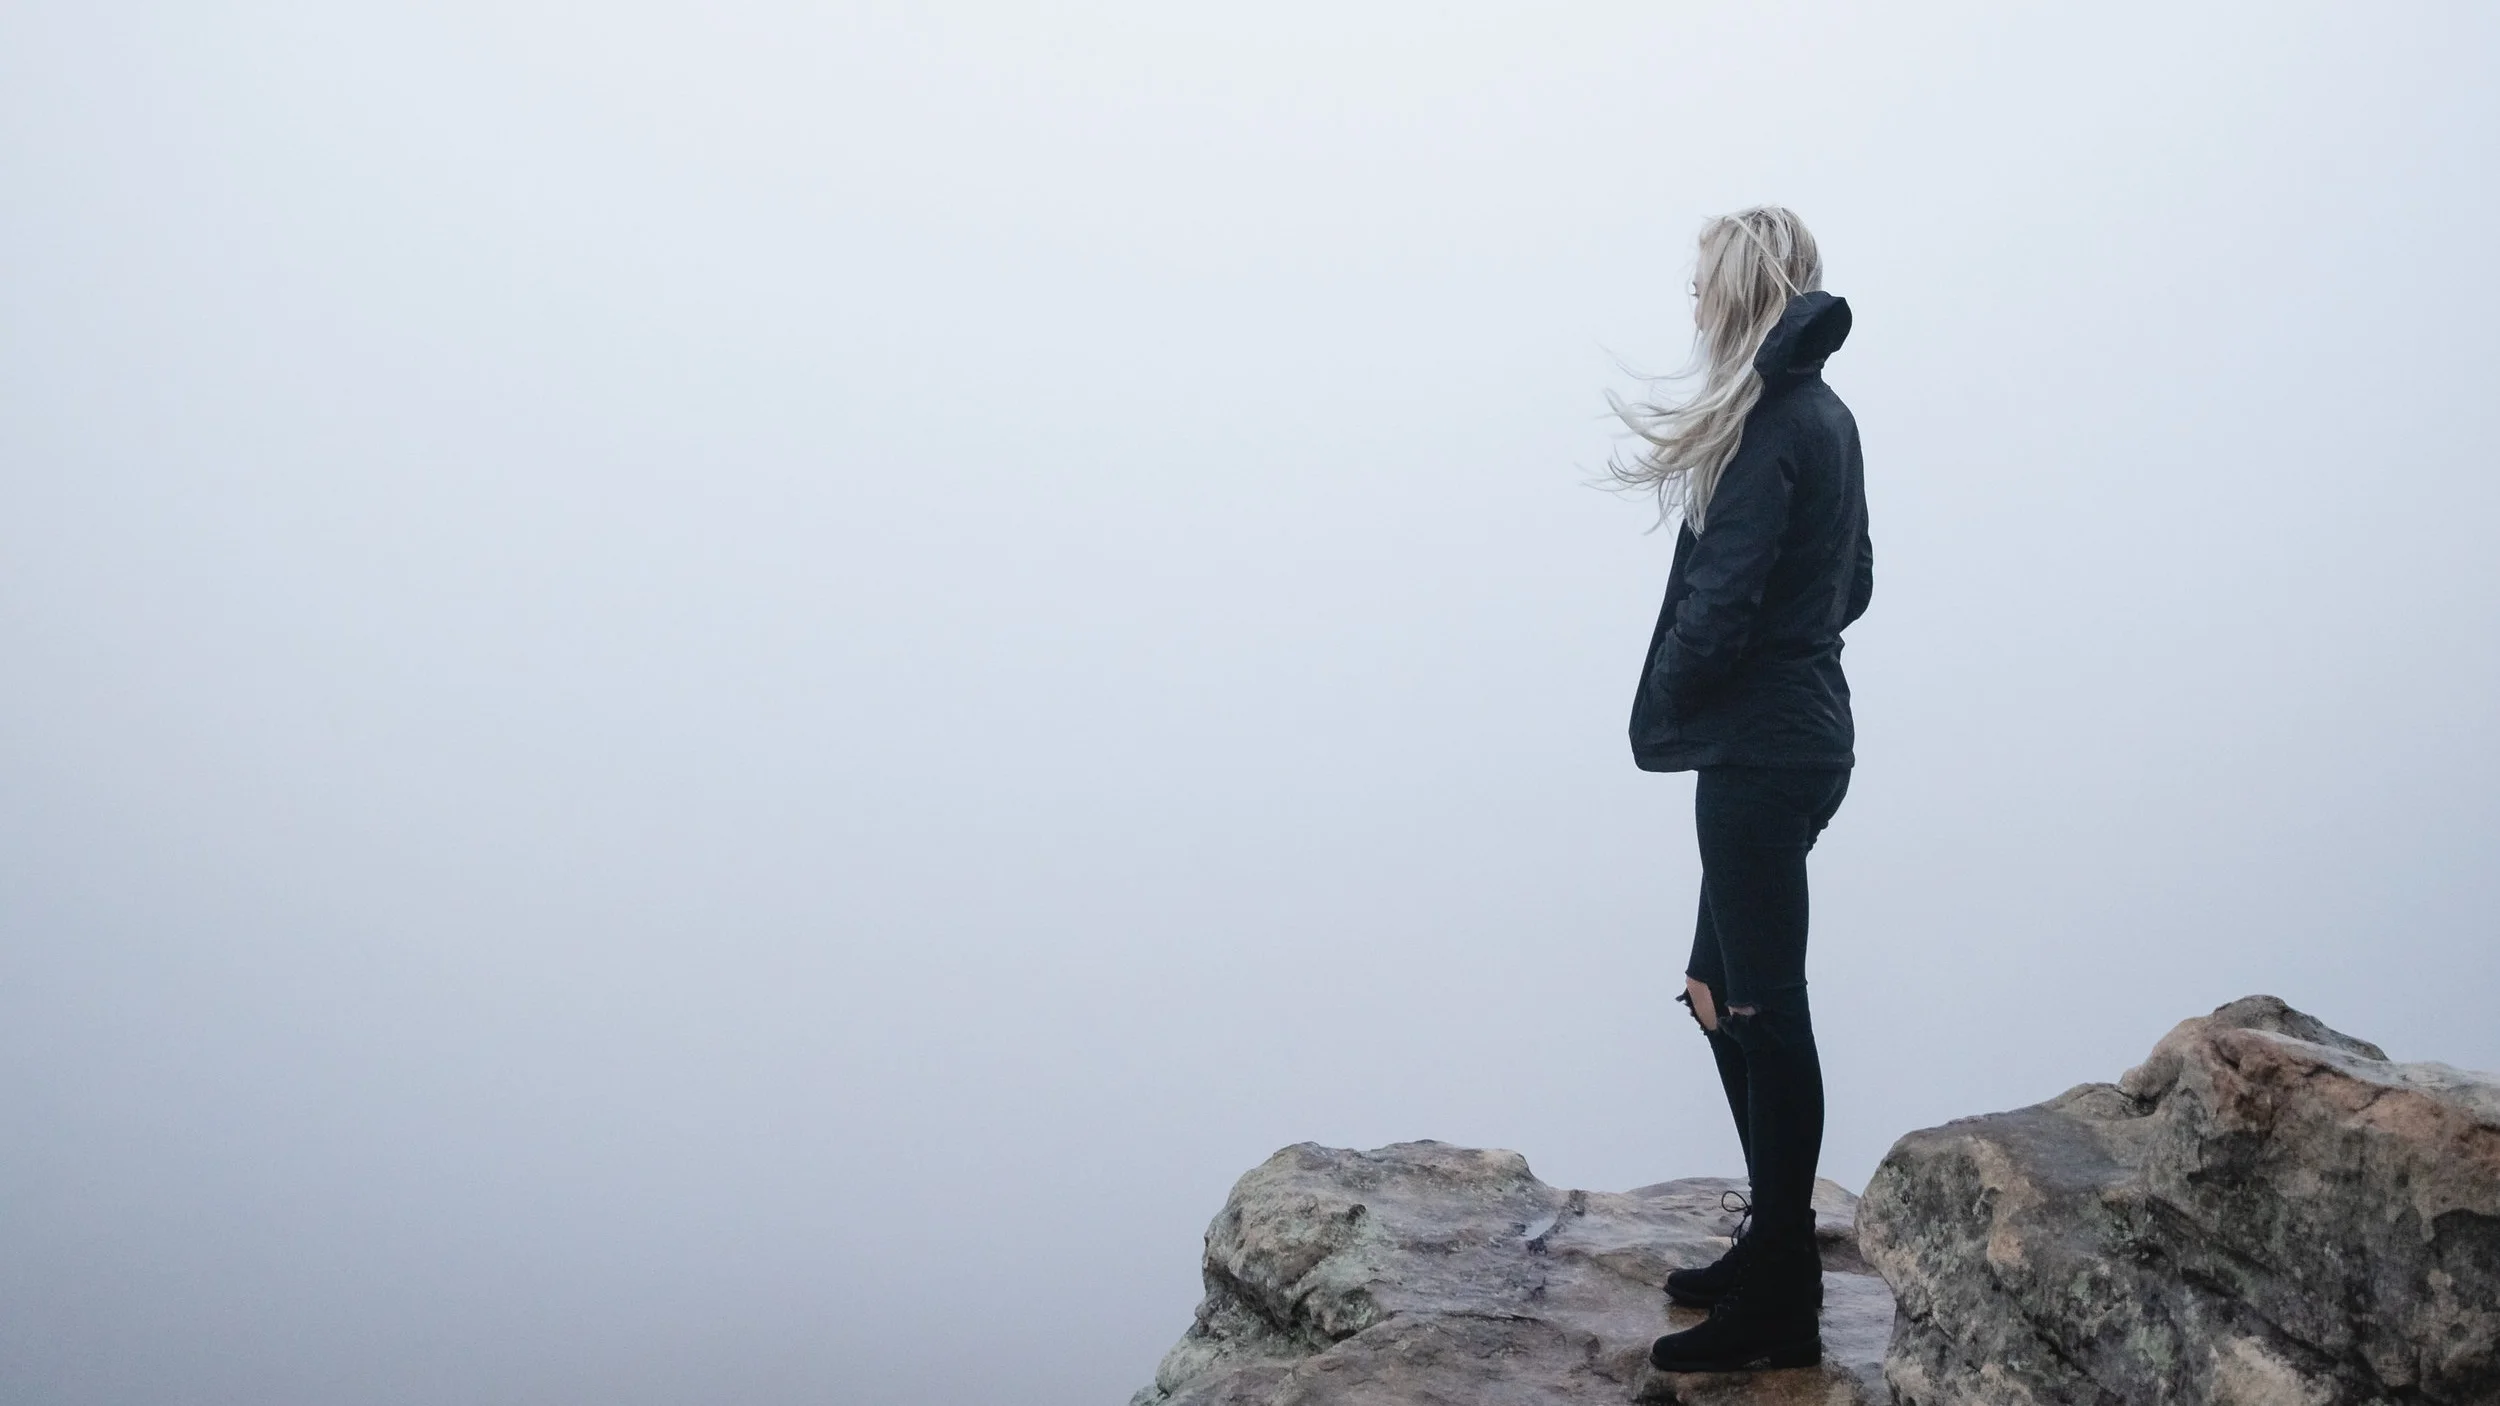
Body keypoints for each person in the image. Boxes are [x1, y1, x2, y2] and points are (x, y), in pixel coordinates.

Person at [1609, 206, 1870, 1374]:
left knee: (1765, 1010)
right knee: (1717, 990)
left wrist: (1676, 683)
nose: (1691, 299)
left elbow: (1722, 599)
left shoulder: (1770, 417)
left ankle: (1780, 1295)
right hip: (1800, 739)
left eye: (1700, 281)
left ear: (1736, 287)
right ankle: (1770, 1242)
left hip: (1761, 754)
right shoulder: (1824, 412)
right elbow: (1854, 580)